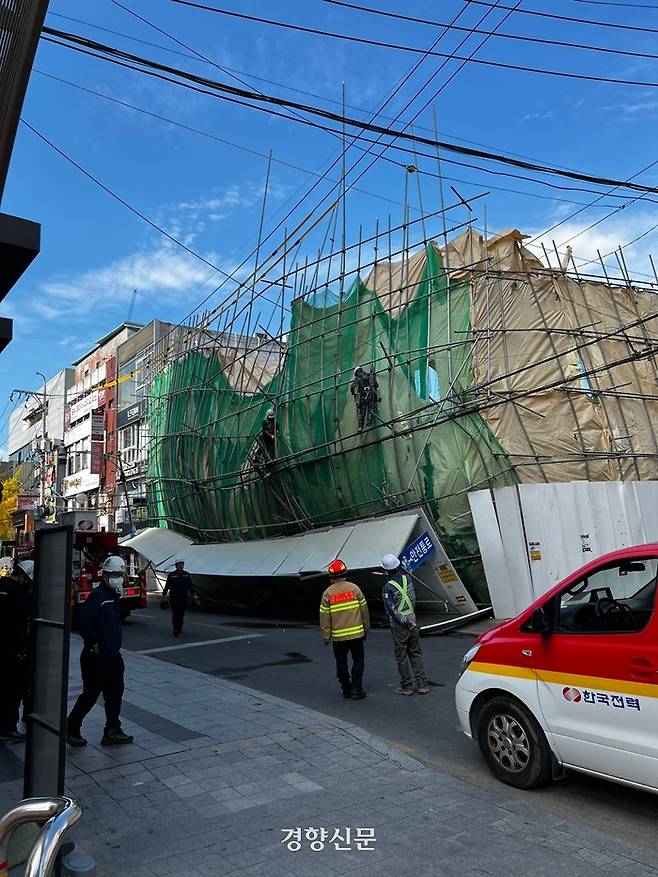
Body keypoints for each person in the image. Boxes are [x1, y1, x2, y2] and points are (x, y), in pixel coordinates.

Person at [67, 555, 134, 747]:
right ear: (104, 575)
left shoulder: (113, 595)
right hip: (96, 657)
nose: (117, 578)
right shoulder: (98, 596)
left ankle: (112, 730)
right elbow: (83, 619)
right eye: (114, 574)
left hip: (113, 655)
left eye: (120, 574)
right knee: (90, 694)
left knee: (115, 694)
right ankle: (71, 728)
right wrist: (93, 642)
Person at [319, 559, 370, 699]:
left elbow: (324, 617)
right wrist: (366, 628)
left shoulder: (327, 594)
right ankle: (356, 689)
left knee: (341, 663)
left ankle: (346, 689)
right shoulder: (355, 589)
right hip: (357, 635)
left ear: (331, 576)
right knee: (358, 660)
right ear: (345, 572)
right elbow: (364, 611)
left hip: (338, 637)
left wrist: (326, 635)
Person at [381, 553, 430, 696]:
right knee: (415, 653)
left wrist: (404, 621)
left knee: (401, 655)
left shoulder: (387, 587)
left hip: (400, 626)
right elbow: (412, 599)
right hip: (413, 621)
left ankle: (406, 686)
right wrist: (410, 619)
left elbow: (391, 609)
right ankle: (422, 685)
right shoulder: (407, 578)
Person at [0, 561, 33, 743]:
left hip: (2, 648)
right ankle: (8, 728)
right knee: (13, 691)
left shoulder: (1, 585)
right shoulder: (18, 595)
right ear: (24, 577)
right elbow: (29, 611)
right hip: (13, 650)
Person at [162, 559, 195, 637]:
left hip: (183, 597)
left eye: (182, 564)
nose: (181, 566)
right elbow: (167, 586)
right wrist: (164, 595)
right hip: (174, 597)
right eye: (179, 564)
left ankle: (179, 627)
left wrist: (194, 595)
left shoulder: (187, 574)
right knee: (175, 613)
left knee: (181, 614)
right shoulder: (172, 575)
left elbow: (190, 586)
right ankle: (175, 629)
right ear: (176, 566)